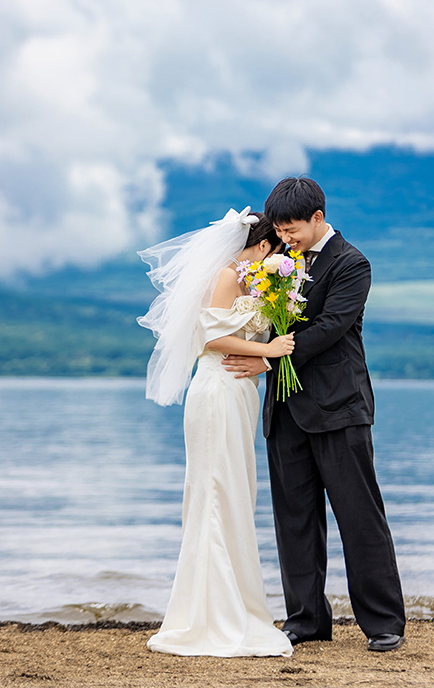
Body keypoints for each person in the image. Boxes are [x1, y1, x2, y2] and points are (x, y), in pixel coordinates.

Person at [222, 177, 406, 653]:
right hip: (283, 410)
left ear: (318, 218)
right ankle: (306, 619)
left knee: (359, 515)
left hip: (339, 407)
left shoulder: (352, 263)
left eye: (293, 229)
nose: (286, 238)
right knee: (294, 518)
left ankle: (384, 622)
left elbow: (329, 327)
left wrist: (266, 359)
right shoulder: (277, 262)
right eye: (280, 230)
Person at [138, 209, 295, 657]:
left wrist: (266, 353)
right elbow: (209, 338)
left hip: (240, 395)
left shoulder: (253, 282)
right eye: (277, 247)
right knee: (213, 492)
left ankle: (235, 606)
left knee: (233, 494)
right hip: (217, 391)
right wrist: (269, 348)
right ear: (263, 247)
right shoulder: (226, 276)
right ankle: (210, 616)